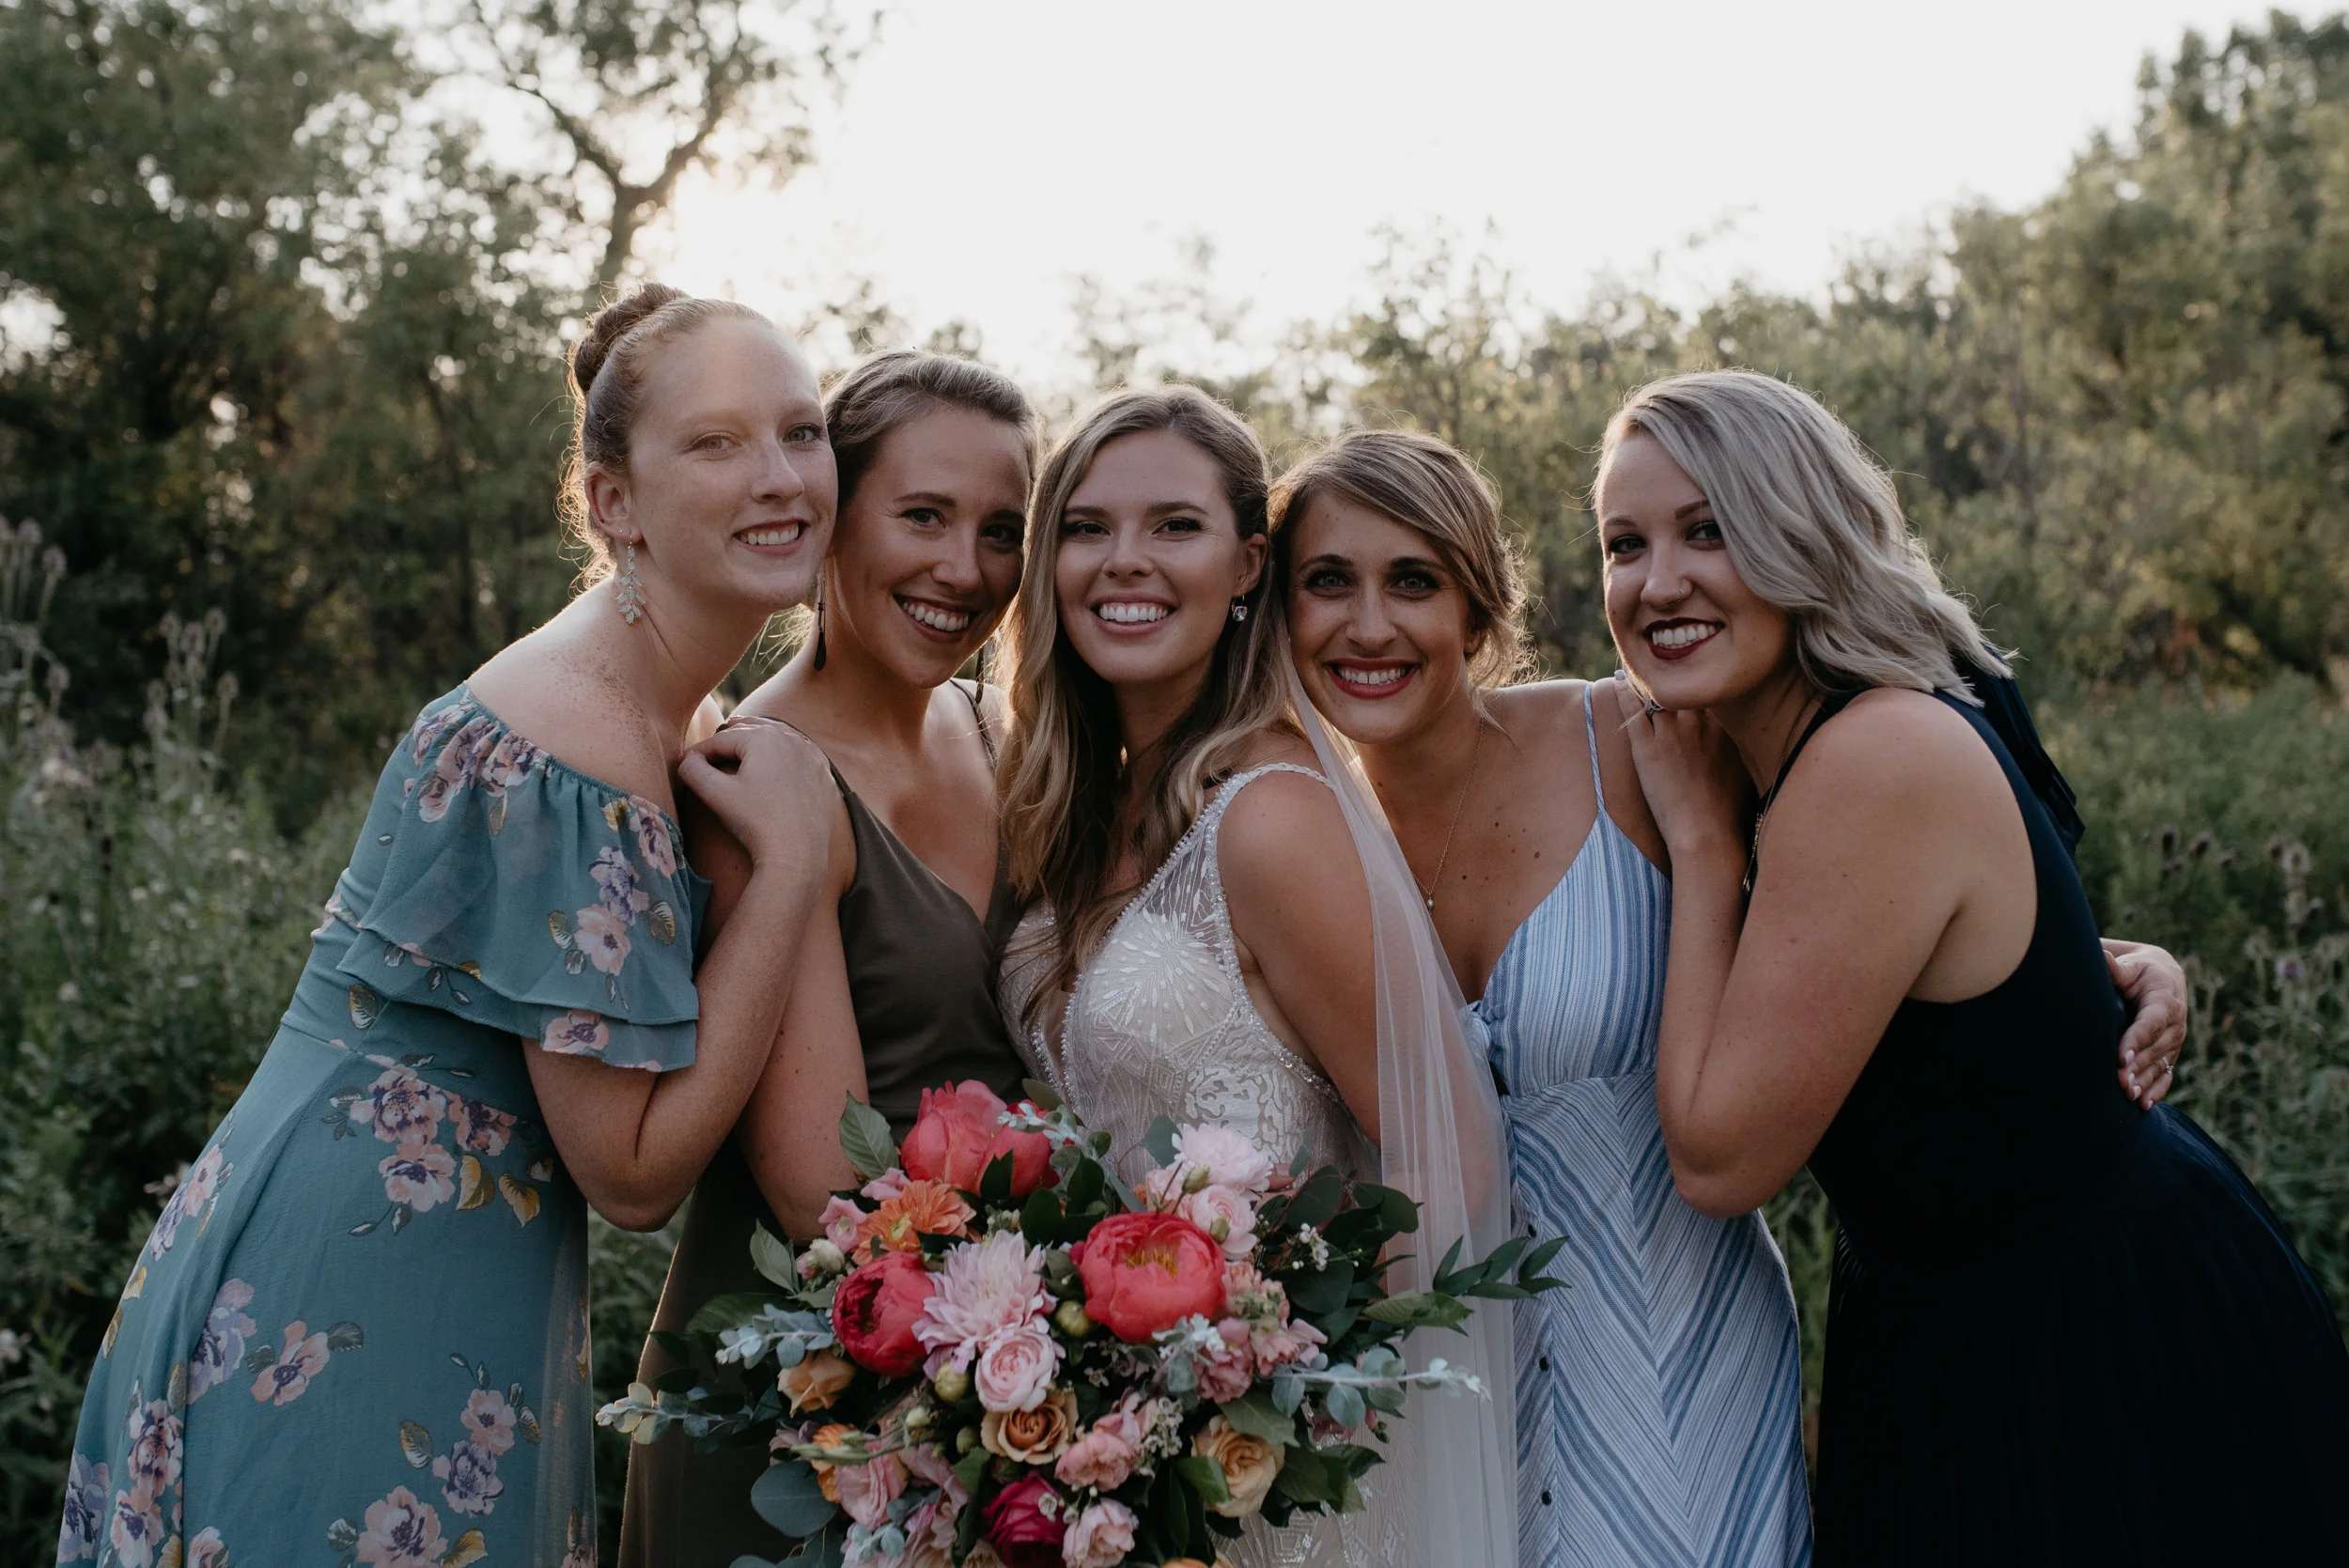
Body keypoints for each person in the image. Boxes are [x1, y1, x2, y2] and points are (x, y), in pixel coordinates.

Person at [1272, 427, 2194, 1566]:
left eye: (1413, 580)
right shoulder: (1281, 827)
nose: (1369, 625)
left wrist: (2095, 958)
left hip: (1681, 1384)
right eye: (1326, 582)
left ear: (1479, 604)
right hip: (1438, 1412)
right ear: (1277, 612)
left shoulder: (1648, 734)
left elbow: (1875, 891)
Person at [55, 284, 839, 1568]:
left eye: (801, 432)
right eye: (716, 442)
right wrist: (798, 865)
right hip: (352, 1282)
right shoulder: (577, 732)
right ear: (615, 503)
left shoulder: (671, 713)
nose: (779, 476)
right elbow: (633, 1173)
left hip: (449, 1269)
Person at [1602, 369, 2349, 1563]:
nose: (1657, 581)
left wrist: (1700, 845)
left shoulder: (1869, 753)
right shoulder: (1789, 728)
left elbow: (1719, 1154)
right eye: (1622, 543)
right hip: (1959, 1322)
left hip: (2089, 1351)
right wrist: (2110, 958)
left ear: (1803, 532)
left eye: (1709, 529)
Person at [995, 386, 1518, 1568]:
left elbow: (1452, 1158)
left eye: (1172, 526)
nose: (1123, 560)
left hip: (1280, 1478)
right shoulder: (1084, 807)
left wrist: (1278, 1396)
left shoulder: (1271, 820)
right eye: (1086, 527)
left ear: (1246, 567)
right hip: (1120, 1453)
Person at [619, 349, 1039, 1568]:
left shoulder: (994, 731)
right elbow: (823, 1193)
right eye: (922, 516)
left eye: (1000, 529)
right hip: (799, 1424)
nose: (963, 570)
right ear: (828, 515)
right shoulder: (759, 782)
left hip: (988, 1398)